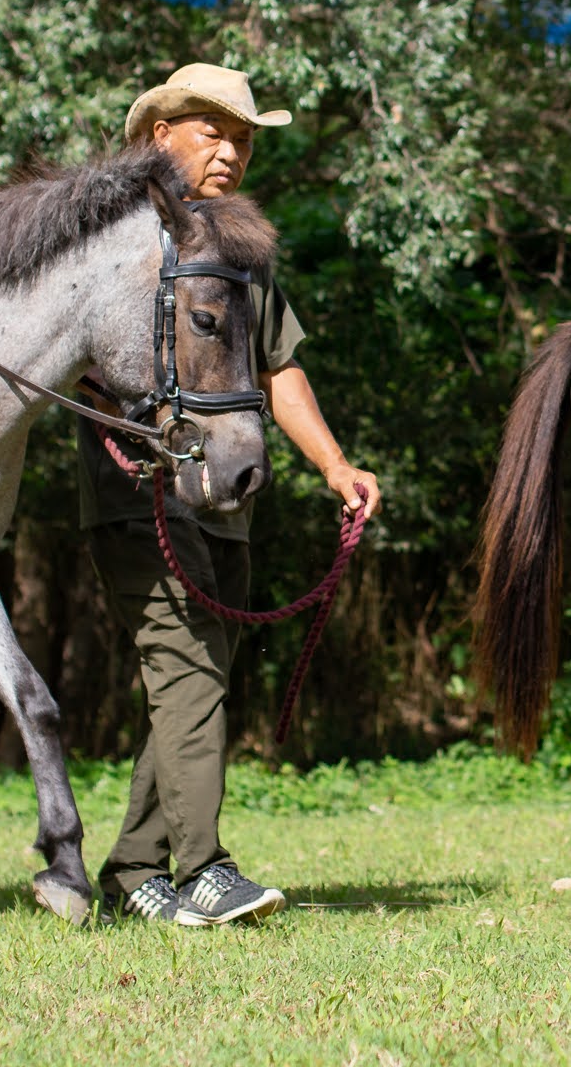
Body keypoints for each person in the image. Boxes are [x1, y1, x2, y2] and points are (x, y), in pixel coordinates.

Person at [77, 63, 382, 927]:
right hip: (138, 492)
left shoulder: (238, 245)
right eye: (213, 130)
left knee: (199, 681)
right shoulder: (109, 239)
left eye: (244, 138)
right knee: (185, 670)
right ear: (157, 136)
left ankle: (138, 872)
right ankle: (204, 868)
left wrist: (333, 464)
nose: (232, 151)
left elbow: (278, 369)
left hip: (229, 496)